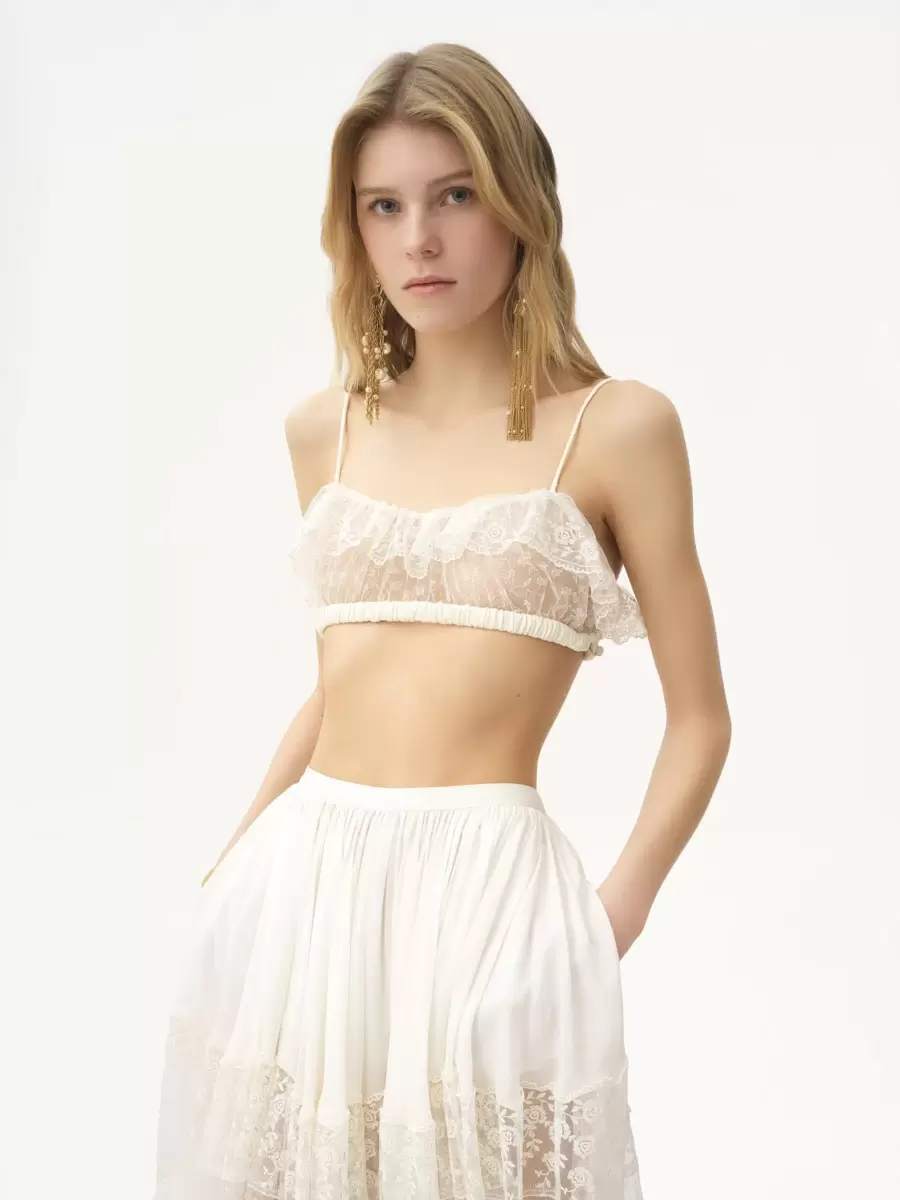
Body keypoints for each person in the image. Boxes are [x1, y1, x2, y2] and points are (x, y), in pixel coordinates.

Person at [153, 42, 732, 1200]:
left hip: (493, 900)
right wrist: (234, 864)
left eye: (455, 196)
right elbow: (345, 682)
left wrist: (606, 922)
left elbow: (701, 720)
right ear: (355, 230)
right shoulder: (324, 429)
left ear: (519, 203)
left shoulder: (619, 429)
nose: (419, 238)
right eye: (385, 206)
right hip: (304, 892)